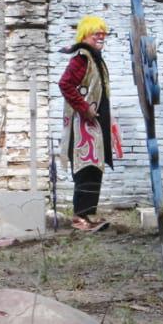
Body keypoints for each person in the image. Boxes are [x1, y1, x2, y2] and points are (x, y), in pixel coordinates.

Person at [58, 15, 115, 231]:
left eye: (103, 32)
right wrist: (84, 108)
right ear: (84, 35)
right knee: (85, 169)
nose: (101, 36)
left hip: (94, 128)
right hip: (83, 129)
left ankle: (88, 215)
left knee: (93, 169)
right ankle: (79, 218)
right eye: (95, 33)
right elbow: (65, 84)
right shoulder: (81, 59)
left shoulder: (94, 58)